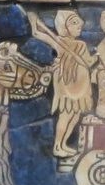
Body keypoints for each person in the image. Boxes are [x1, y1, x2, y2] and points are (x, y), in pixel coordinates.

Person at [25, 9, 96, 159]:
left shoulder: (81, 45)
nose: (79, 26)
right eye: (74, 23)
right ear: (64, 25)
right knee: (66, 114)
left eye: (79, 23)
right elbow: (37, 33)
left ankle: (64, 144)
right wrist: (33, 19)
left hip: (81, 82)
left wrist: (97, 57)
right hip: (67, 82)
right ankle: (57, 146)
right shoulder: (59, 42)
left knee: (75, 115)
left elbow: (88, 62)